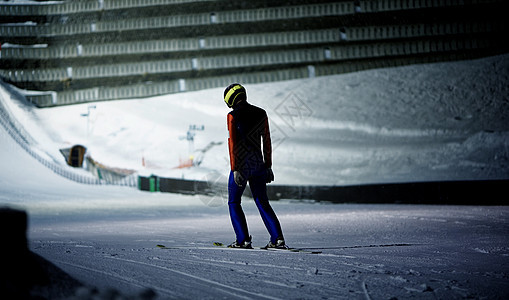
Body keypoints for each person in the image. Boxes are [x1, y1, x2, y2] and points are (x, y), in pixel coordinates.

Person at [223, 83, 286, 249]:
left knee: (234, 202)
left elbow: (233, 145)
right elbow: (267, 141)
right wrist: (268, 165)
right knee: (262, 201)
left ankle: (243, 240)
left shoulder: (232, 116)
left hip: (242, 166)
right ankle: (277, 239)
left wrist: (235, 168)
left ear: (229, 99)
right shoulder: (261, 113)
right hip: (258, 163)